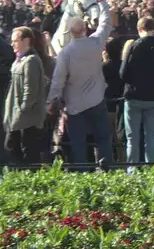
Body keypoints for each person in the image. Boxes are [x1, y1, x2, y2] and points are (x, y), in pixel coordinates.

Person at [47, 10, 115, 170]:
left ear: (69, 32)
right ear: (85, 29)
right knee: (103, 139)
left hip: (74, 104)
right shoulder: (96, 43)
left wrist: (51, 99)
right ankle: (107, 170)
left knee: (78, 143)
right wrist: (101, 2)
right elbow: (106, 24)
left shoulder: (65, 53)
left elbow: (58, 80)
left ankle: (82, 172)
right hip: (97, 99)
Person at [120, 15, 154, 167]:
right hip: (153, 96)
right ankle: (151, 169)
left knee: (132, 138)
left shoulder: (134, 46)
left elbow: (123, 73)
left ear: (139, 29)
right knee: (151, 137)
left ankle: (132, 170)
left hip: (134, 96)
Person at [4, 25, 50, 164]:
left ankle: (27, 178)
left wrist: (23, 108)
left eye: (15, 40)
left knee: (25, 150)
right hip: (18, 113)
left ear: (26, 40)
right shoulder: (19, 60)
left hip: (27, 116)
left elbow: (30, 88)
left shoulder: (31, 61)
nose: (12, 44)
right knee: (15, 147)